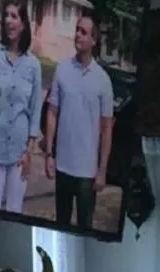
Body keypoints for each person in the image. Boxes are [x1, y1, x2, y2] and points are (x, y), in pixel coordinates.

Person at [44, 13, 115, 232]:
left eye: (84, 32)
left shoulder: (103, 80)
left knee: (85, 228)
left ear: (94, 41)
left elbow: (106, 128)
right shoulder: (62, 70)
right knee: (61, 225)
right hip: (63, 167)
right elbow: (52, 113)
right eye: (77, 29)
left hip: (87, 172)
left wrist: (102, 170)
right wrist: (48, 155)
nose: (77, 35)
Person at [0, 0, 43, 215]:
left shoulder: (33, 65)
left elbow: (35, 112)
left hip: (20, 153)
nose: (9, 21)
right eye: (6, 15)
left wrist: (29, 152)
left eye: (14, 16)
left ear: (23, 23)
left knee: (14, 212)